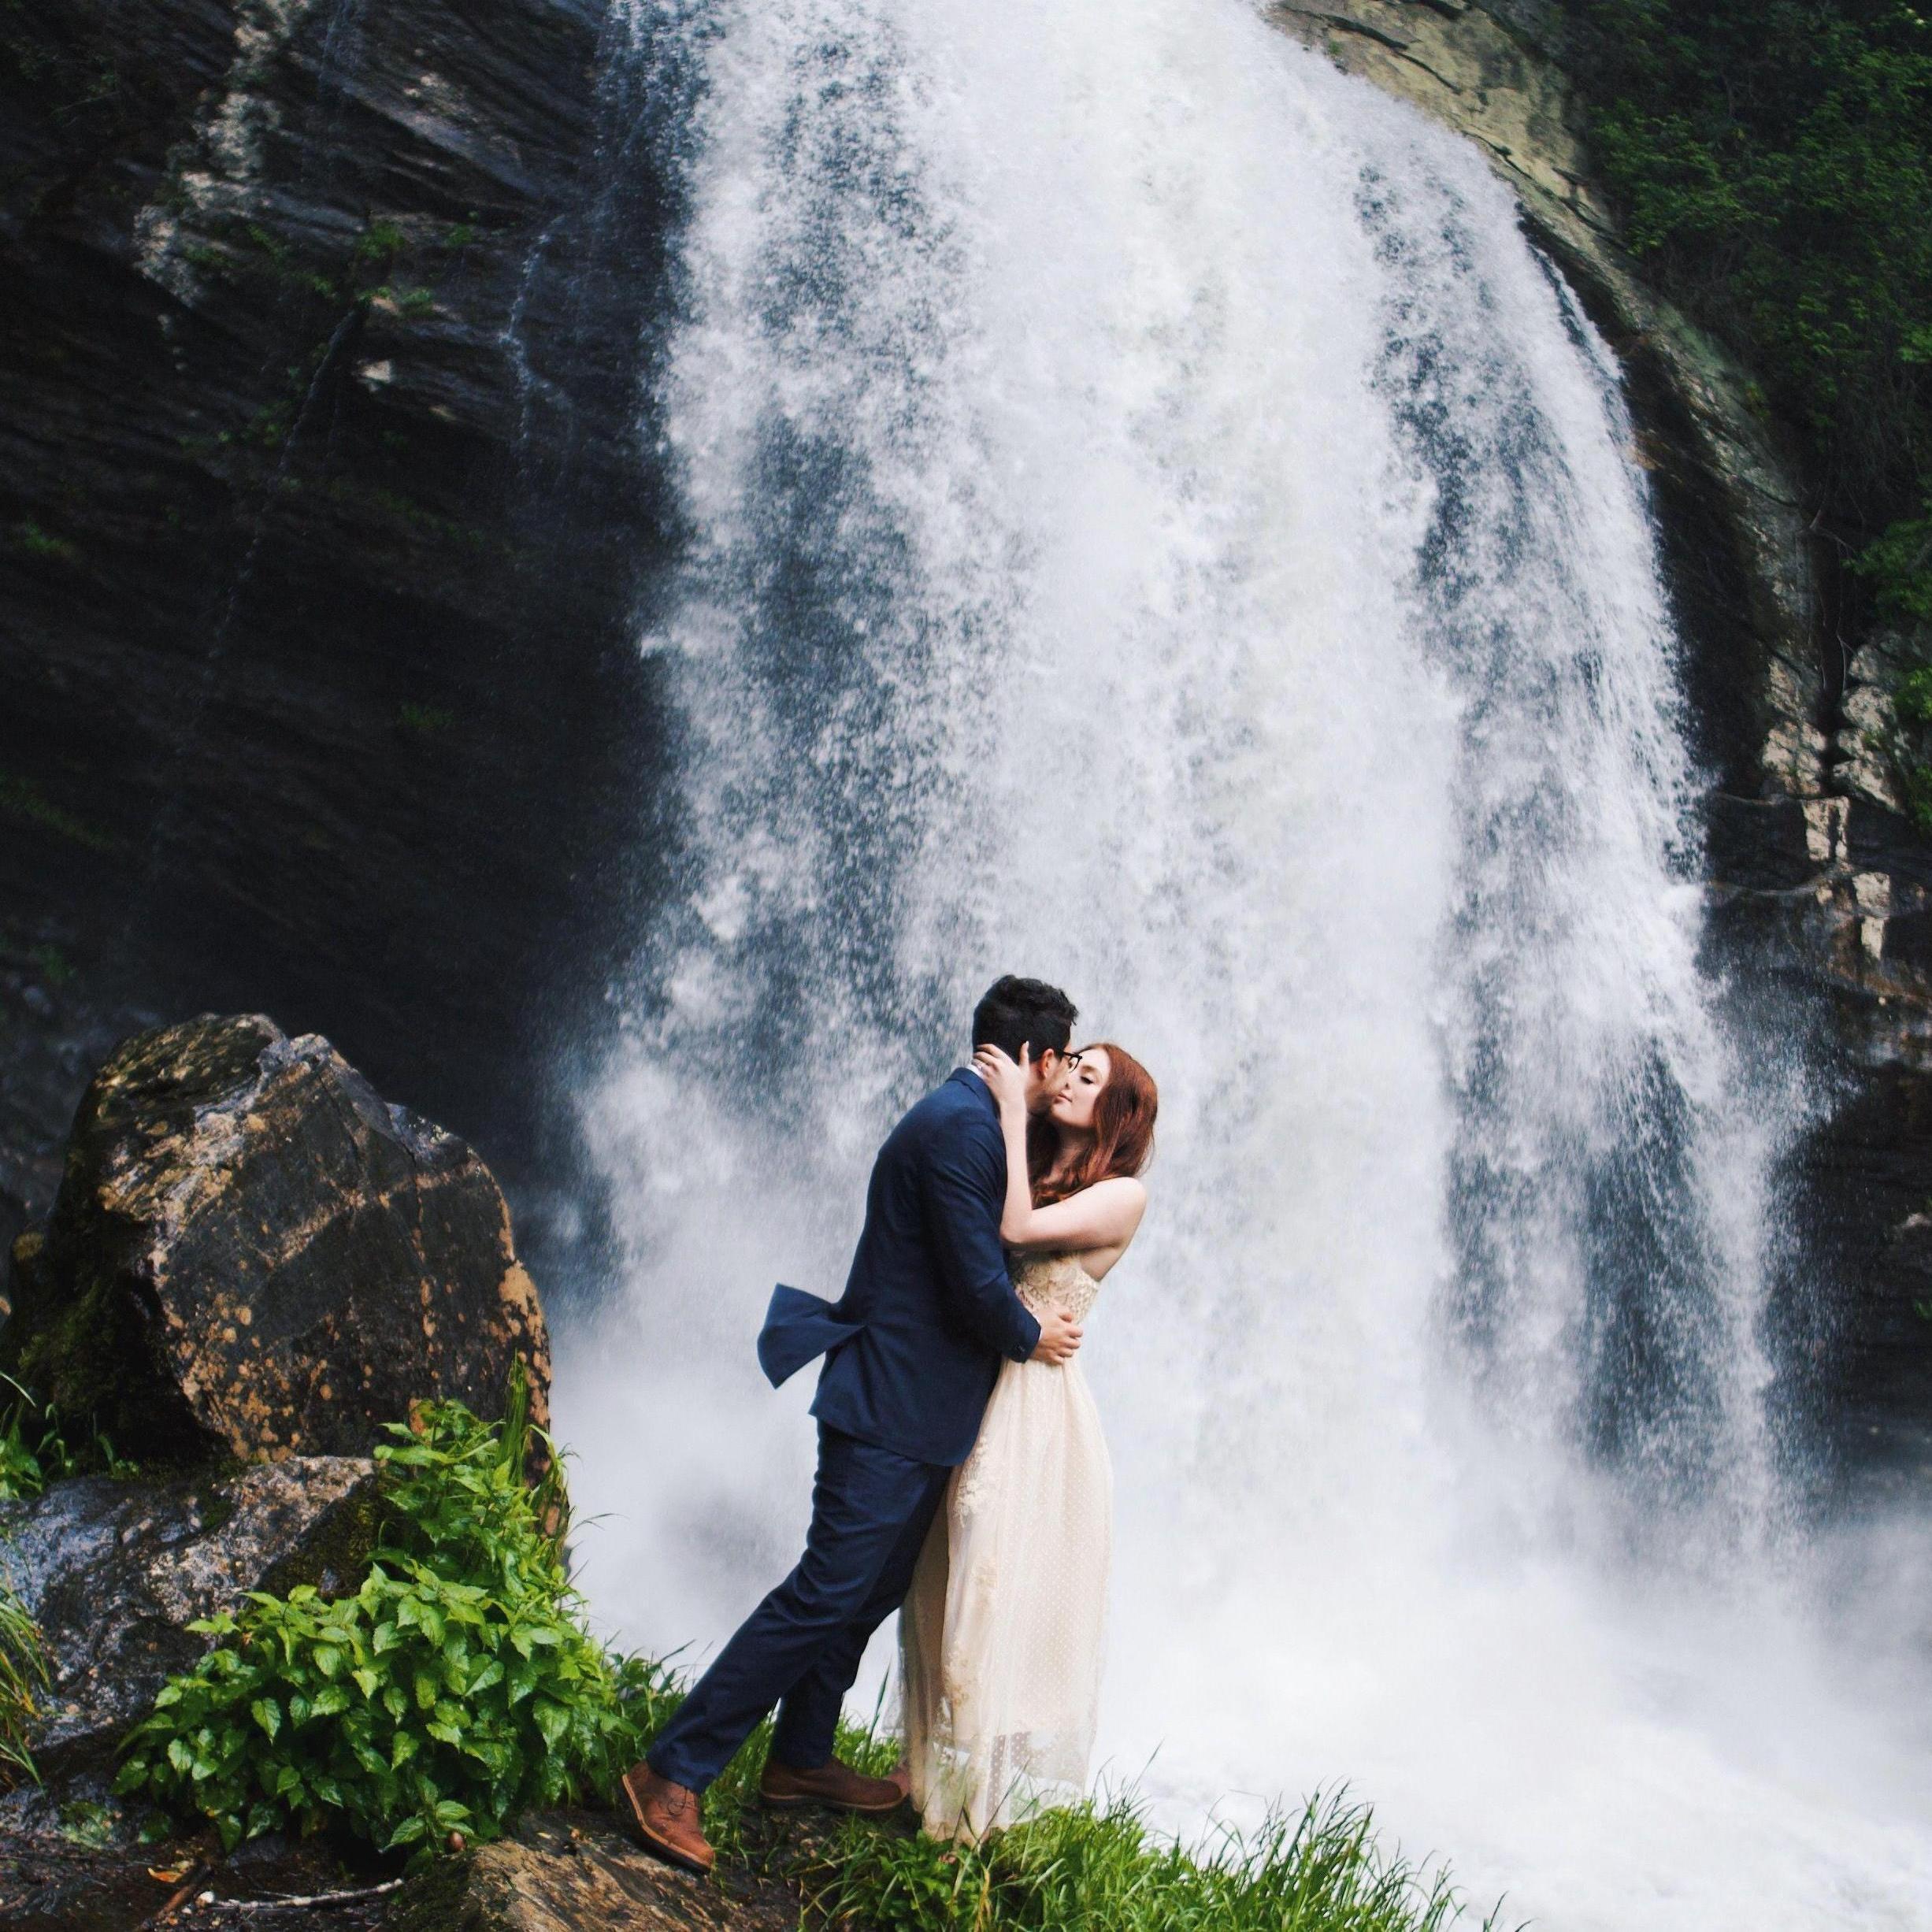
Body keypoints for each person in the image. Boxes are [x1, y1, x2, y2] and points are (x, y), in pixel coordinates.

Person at [619, 975, 1088, 1875]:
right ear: (1032, 1056)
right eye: (1061, 1057)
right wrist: (1034, 1334)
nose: (1065, 1074)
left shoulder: (980, 1123)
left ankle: (798, 1758)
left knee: (863, 1595)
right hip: (886, 1408)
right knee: (822, 1592)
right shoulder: (958, 1127)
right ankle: (668, 1772)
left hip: (920, 1412)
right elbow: (974, 1282)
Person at [899, 1036, 1157, 1841]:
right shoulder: (1035, 1163)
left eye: (1090, 1075)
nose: (1069, 1077)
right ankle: (932, 1790)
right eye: (1069, 1063)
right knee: (943, 1566)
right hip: (982, 1380)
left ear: (1117, 1112)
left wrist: (1012, 1102)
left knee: (997, 1571)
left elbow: (1013, 1225)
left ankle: (984, 1813)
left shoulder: (1121, 1195)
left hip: (1036, 1408)